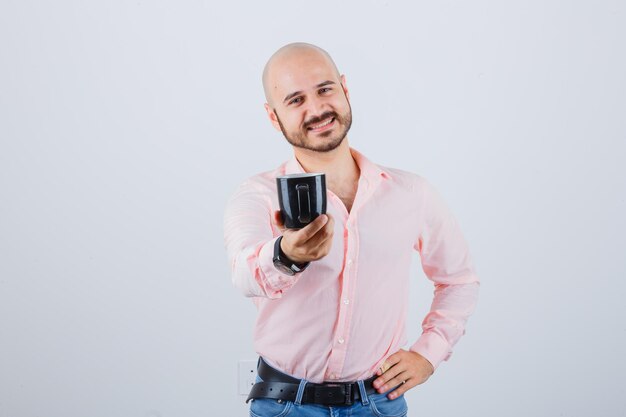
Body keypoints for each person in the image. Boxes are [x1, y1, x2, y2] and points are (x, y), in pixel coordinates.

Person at [223, 42, 480, 417]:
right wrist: (287, 256)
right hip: (284, 405)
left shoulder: (411, 192)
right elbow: (245, 275)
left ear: (344, 88)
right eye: (295, 100)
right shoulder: (255, 195)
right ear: (273, 117)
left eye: (325, 89)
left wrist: (429, 354)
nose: (316, 109)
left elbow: (459, 280)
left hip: (379, 404)